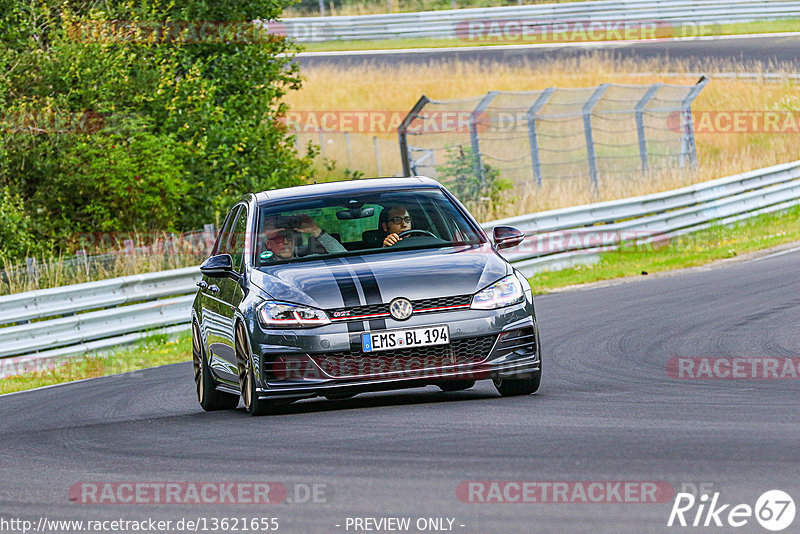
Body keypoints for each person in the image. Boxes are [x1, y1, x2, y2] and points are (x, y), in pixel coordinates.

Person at [259, 214, 345, 261]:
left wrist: (316, 230)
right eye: (278, 238)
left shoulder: (309, 261)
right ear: (268, 244)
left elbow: (343, 256)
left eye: (289, 237)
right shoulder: (262, 269)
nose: (285, 242)